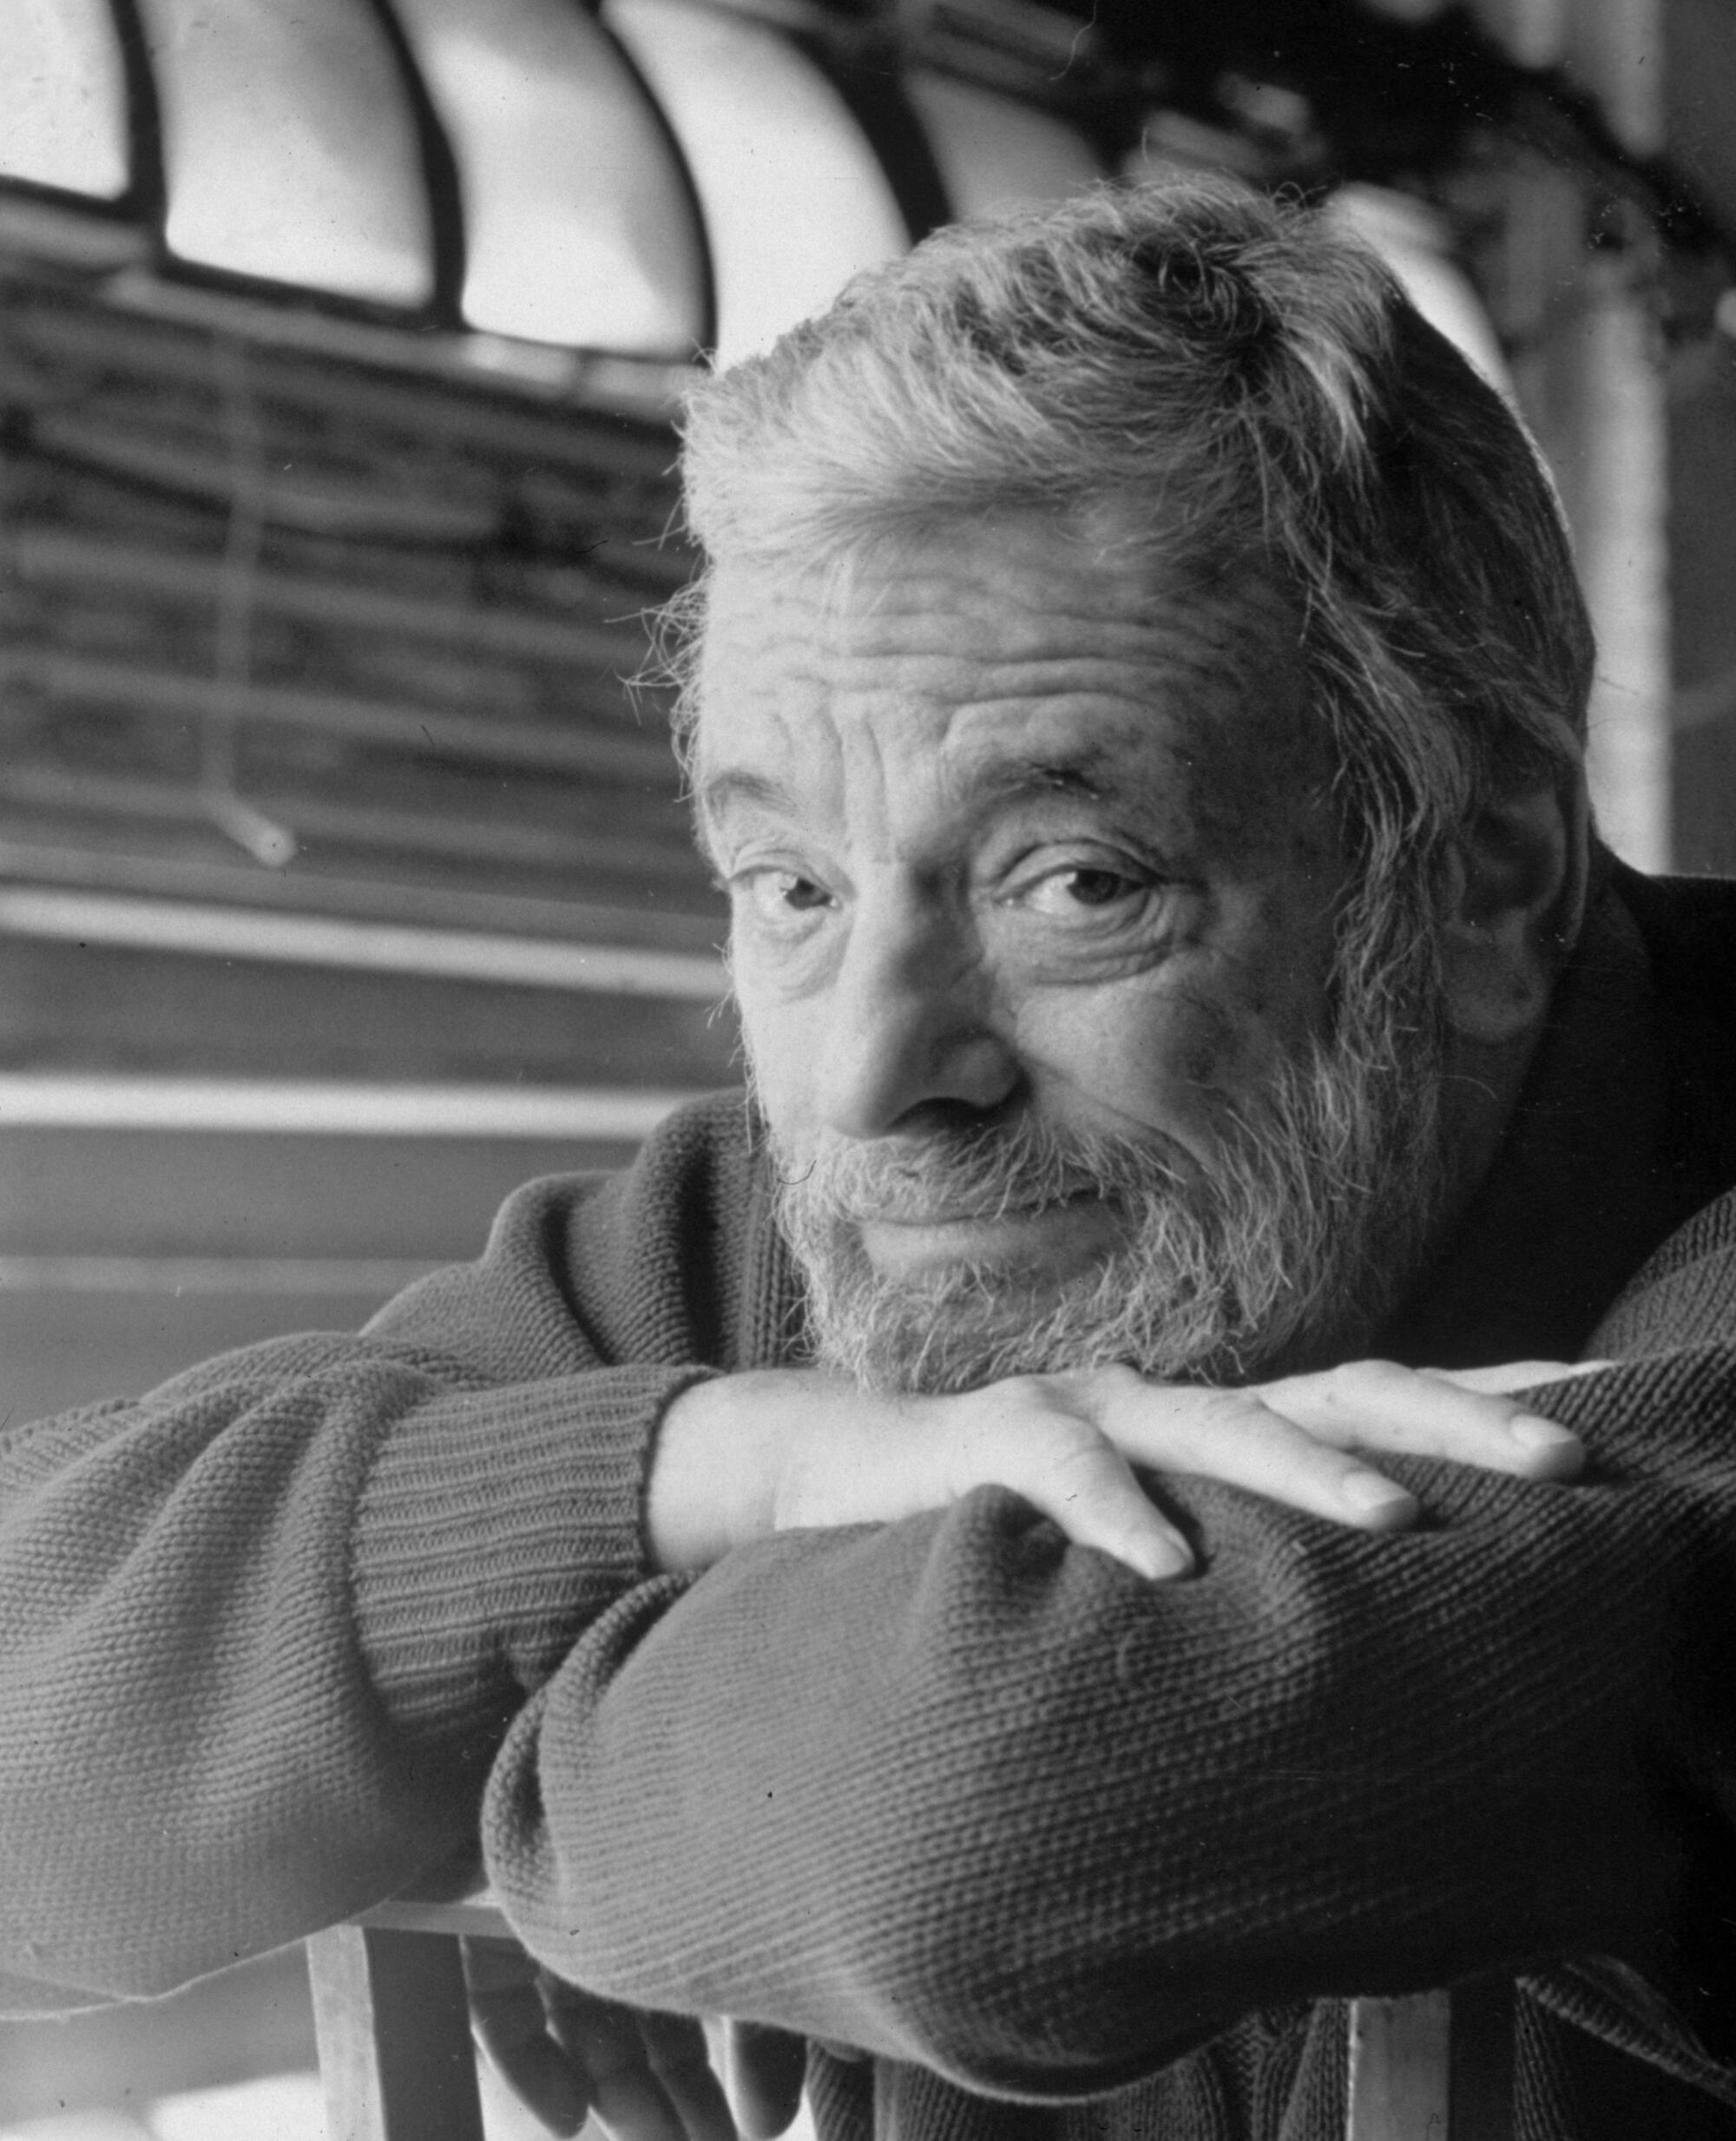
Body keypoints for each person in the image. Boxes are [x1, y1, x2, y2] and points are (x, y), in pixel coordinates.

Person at [3, 178, 1735, 2141]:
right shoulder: (812, 1230)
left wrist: (444, 1759)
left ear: (1486, 883)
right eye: (791, 884)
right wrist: (727, 1464)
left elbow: (977, 1820)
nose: (867, 1075)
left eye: (1073, 879)